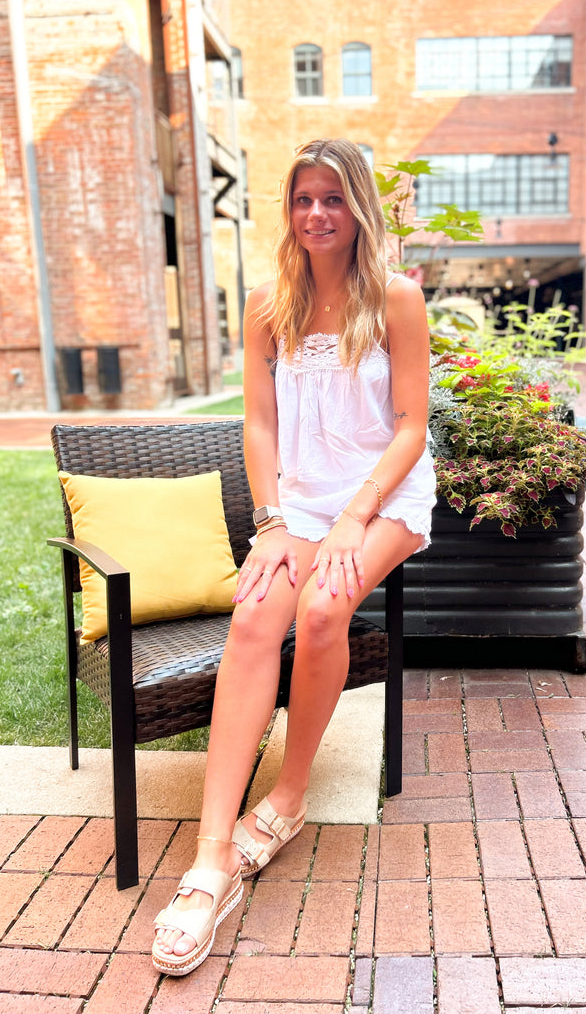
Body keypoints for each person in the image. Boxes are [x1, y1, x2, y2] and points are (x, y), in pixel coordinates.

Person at [151, 138, 436, 976]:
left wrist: (353, 518)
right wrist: (272, 521)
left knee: (321, 609)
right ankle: (209, 860)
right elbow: (261, 425)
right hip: (301, 502)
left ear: (359, 209)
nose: (318, 213)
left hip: (383, 496)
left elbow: (413, 426)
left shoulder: (395, 297)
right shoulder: (269, 302)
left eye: (334, 199)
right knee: (253, 618)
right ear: (291, 208)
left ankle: (287, 797)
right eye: (304, 198)